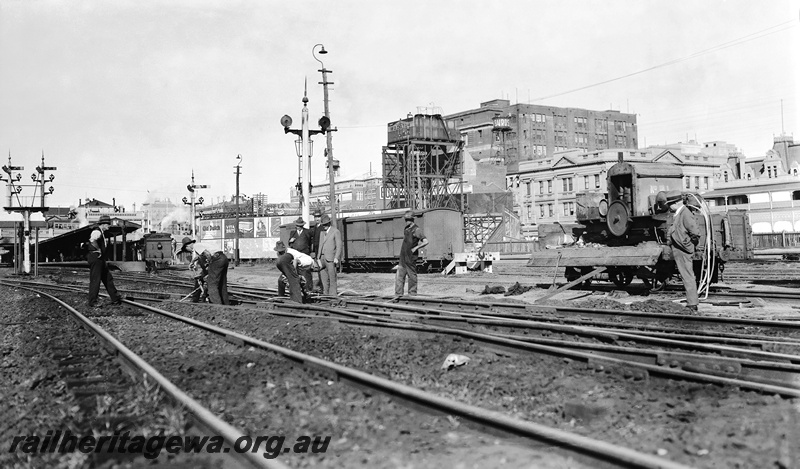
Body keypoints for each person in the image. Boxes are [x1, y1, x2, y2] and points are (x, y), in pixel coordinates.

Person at [669, 195, 702, 312]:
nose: (669, 206)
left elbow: (695, 232)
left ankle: (692, 303)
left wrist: (688, 245)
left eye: (670, 204)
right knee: (686, 275)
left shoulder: (685, 213)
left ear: (677, 202)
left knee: (687, 275)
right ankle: (691, 302)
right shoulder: (679, 213)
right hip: (680, 249)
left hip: (683, 250)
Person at [85, 215, 123, 308]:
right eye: (108, 224)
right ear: (103, 224)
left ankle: (115, 297)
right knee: (95, 280)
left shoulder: (101, 232)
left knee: (107, 278)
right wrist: (98, 249)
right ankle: (93, 301)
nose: (109, 226)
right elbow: (92, 240)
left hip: (100, 259)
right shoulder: (97, 231)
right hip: (96, 257)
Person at [179, 237, 230, 305]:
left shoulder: (196, 246)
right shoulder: (201, 245)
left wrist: (209, 265)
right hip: (223, 258)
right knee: (222, 283)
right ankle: (226, 304)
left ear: (187, 246)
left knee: (212, 284)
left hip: (216, 260)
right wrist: (193, 261)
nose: (188, 251)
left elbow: (207, 254)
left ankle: (217, 305)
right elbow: (200, 256)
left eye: (186, 249)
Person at [396, 211, 429, 296]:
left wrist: (416, 247)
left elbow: (426, 241)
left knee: (412, 277)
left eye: (408, 220)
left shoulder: (417, 230)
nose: (407, 221)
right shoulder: (406, 229)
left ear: (412, 219)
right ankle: (398, 295)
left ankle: (412, 295)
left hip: (411, 257)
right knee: (399, 277)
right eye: (406, 220)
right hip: (403, 257)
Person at [316, 214, 342, 296]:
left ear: (329, 224)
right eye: (323, 225)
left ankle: (333, 296)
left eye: (325, 224)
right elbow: (320, 245)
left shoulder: (335, 231)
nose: (324, 226)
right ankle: (325, 295)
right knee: (324, 279)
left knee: (332, 278)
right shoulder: (322, 233)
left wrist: (336, 257)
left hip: (331, 258)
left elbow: (339, 246)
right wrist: (318, 257)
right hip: (322, 258)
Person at [288, 217, 314, 289]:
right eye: (297, 226)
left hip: (305, 255)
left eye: (299, 226)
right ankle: (298, 288)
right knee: (296, 272)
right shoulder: (293, 233)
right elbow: (289, 244)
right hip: (296, 256)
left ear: (302, 226)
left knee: (306, 272)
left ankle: (308, 288)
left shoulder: (307, 232)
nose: (298, 227)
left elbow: (312, 242)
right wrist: (290, 241)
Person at [311, 209, 324, 292]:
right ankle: (321, 286)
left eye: (318, 217)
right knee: (319, 270)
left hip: (322, 252)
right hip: (316, 252)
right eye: (316, 217)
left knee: (322, 270)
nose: (317, 219)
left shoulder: (323, 227)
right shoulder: (315, 227)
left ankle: (324, 287)